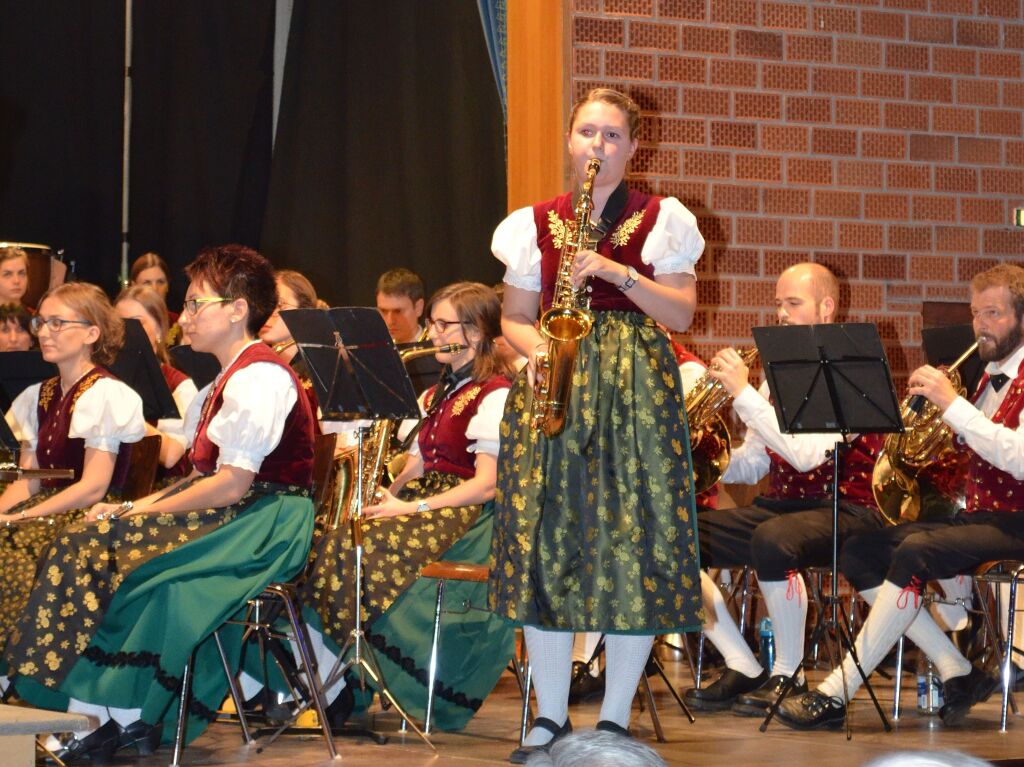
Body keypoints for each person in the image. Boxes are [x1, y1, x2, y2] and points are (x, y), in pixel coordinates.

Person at [3, 245, 316, 762]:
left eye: (196, 305)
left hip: (265, 521)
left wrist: (134, 510)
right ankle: (92, 713)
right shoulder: (224, 380)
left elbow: (232, 484)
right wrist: (131, 509)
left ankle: (119, 716)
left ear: (237, 309)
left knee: (129, 562)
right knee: (91, 538)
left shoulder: (260, 377)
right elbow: (199, 476)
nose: (185, 317)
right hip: (234, 512)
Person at [488, 87, 705, 762]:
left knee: (631, 543)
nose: (598, 147)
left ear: (634, 148)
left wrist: (617, 271)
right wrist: (535, 355)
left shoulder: (662, 218)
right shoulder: (532, 222)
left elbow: (681, 316)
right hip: (556, 381)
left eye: (612, 136)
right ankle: (550, 716)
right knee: (548, 538)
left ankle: (614, 717)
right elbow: (513, 318)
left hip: (636, 391)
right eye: (588, 133)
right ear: (570, 139)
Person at [777, 262, 1024, 731]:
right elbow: (967, 454)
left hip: (1017, 520)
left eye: (994, 313)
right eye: (975, 314)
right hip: (982, 518)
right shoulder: (985, 377)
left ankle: (837, 691)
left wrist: (953, 407)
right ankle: (958, 670)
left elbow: (1018, 457)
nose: (981, 325)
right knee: (861, 550)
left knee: (915, 550)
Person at [301, 281, 516, 731]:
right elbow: (419, 465)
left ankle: (346, 687)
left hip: (464, 517)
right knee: (333, 542)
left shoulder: (495, 394)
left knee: (352, 554)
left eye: (443, 325)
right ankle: (337, 687)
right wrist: (385, 494)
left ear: (475, 333)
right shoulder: (440, 392)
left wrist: (410, 510)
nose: (432, 334)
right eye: (434, 323)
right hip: (426, 505)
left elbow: (485, 486)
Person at [681, 263, 889, 716]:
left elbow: (808, 455)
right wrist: (693, 456)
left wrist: (742, 395)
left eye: (792, 303)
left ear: (826, 306)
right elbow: (759, 460)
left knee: (772, 540)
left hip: (846, 507)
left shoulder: (849, 367)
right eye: (778, 303)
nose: (780, 313)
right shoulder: (773, 376)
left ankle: (789, 671)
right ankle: (743, 662)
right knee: (675, 533)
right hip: (785, 504)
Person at [0, 283, 145, 668]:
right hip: (47, 506)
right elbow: (29, 480)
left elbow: (94, 486)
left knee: (14, 548)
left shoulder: (106, 395)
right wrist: (3, 512)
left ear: (92, 333)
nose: (44, 331)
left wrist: (22, 517)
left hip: (88, 513)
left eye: (58, 323)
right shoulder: (38, 395)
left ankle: (19, 674)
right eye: (42, 322)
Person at [114, 285, 198, 470]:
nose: (127, 332)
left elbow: (170, 456)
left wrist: (122, 413)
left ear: (159, 329)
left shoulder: (180, 386)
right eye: (120, 324)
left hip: (159, 491)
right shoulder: (105, 381)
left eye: (137, 323)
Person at [376, 267, 426, 344]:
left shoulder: (437, 351)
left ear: (418, 308)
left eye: (398, 311)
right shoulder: (374, 349)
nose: (389, 321)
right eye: (383, 311)